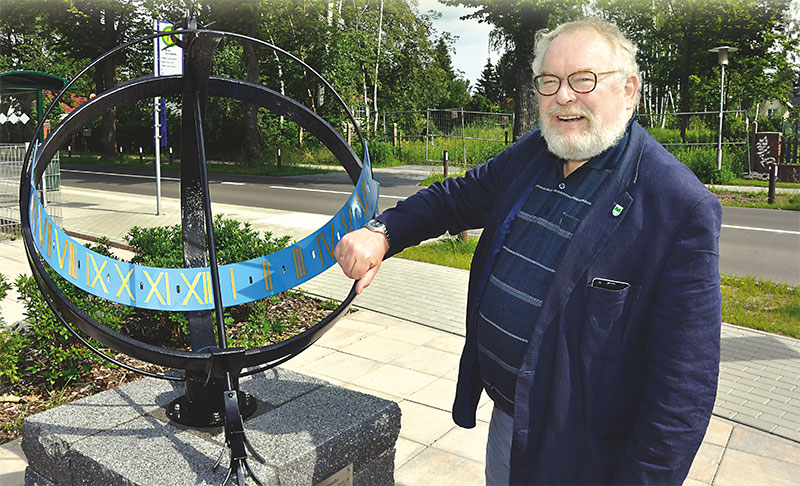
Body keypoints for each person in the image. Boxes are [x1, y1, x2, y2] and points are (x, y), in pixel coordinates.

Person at [335, 17, 721, 486]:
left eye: (584, 79)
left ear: (629, 90)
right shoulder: (534, 154)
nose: (563, 96)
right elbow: (453, 199)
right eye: (549, 82)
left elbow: (683, 392)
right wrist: (383, 232)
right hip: (510, 425)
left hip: (590, 457)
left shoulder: (678, 205)